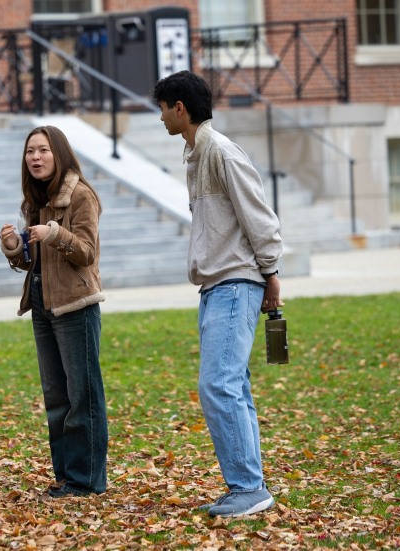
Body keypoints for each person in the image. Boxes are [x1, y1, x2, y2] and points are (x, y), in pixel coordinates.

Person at [152, 70, 284, 518]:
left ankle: (249, 488)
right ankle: (248, 485)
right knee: (234, 387)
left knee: (218, 385)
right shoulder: (196, 153)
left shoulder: (221, 151)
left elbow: (259, 217)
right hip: (216, 287)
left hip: (234, 284)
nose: (161, 117)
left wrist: (271, 272)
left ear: (180, 109)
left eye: (163, 108)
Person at [0, 125, 108, 498]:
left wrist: (54, 234)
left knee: (83, 396)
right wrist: (15, 247)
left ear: (58, 153)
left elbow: (87, 252)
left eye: (43, 150)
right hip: (43, 305)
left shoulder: (80, 196)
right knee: (56, 398)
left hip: (76, 306)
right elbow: (35, 260)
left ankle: (86, 480)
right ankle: (66, 476)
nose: (35, 157)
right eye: (30, 151)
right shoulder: (36, 199)